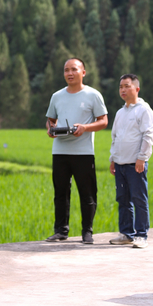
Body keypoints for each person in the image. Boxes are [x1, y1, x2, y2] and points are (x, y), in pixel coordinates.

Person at [45, 58, 108, 244]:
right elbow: (51, 120)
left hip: (83, 152)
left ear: (83, 72)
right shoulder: (56, 96)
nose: (69, 73)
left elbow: (103, 121)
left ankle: (87, 232)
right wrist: (50, 129)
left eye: (74, 69)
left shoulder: (93, 95)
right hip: (60, 151)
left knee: (87, 193)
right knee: (60, 193)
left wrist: (85, 128)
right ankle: (60, 231)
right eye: (66, 70)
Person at [109, 73, 153, 249]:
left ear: (136, 88)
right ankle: (126, 234)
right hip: (120, 163)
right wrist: (112, 159)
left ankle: (141, 235)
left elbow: (149, 136)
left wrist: (142, 158)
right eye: (121, 86)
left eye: (126, 86)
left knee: (139, 199)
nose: (123, 89)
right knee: (123, 199)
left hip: (135, 164)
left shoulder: (144, 110)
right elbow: (115, 137)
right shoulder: (120, 112)